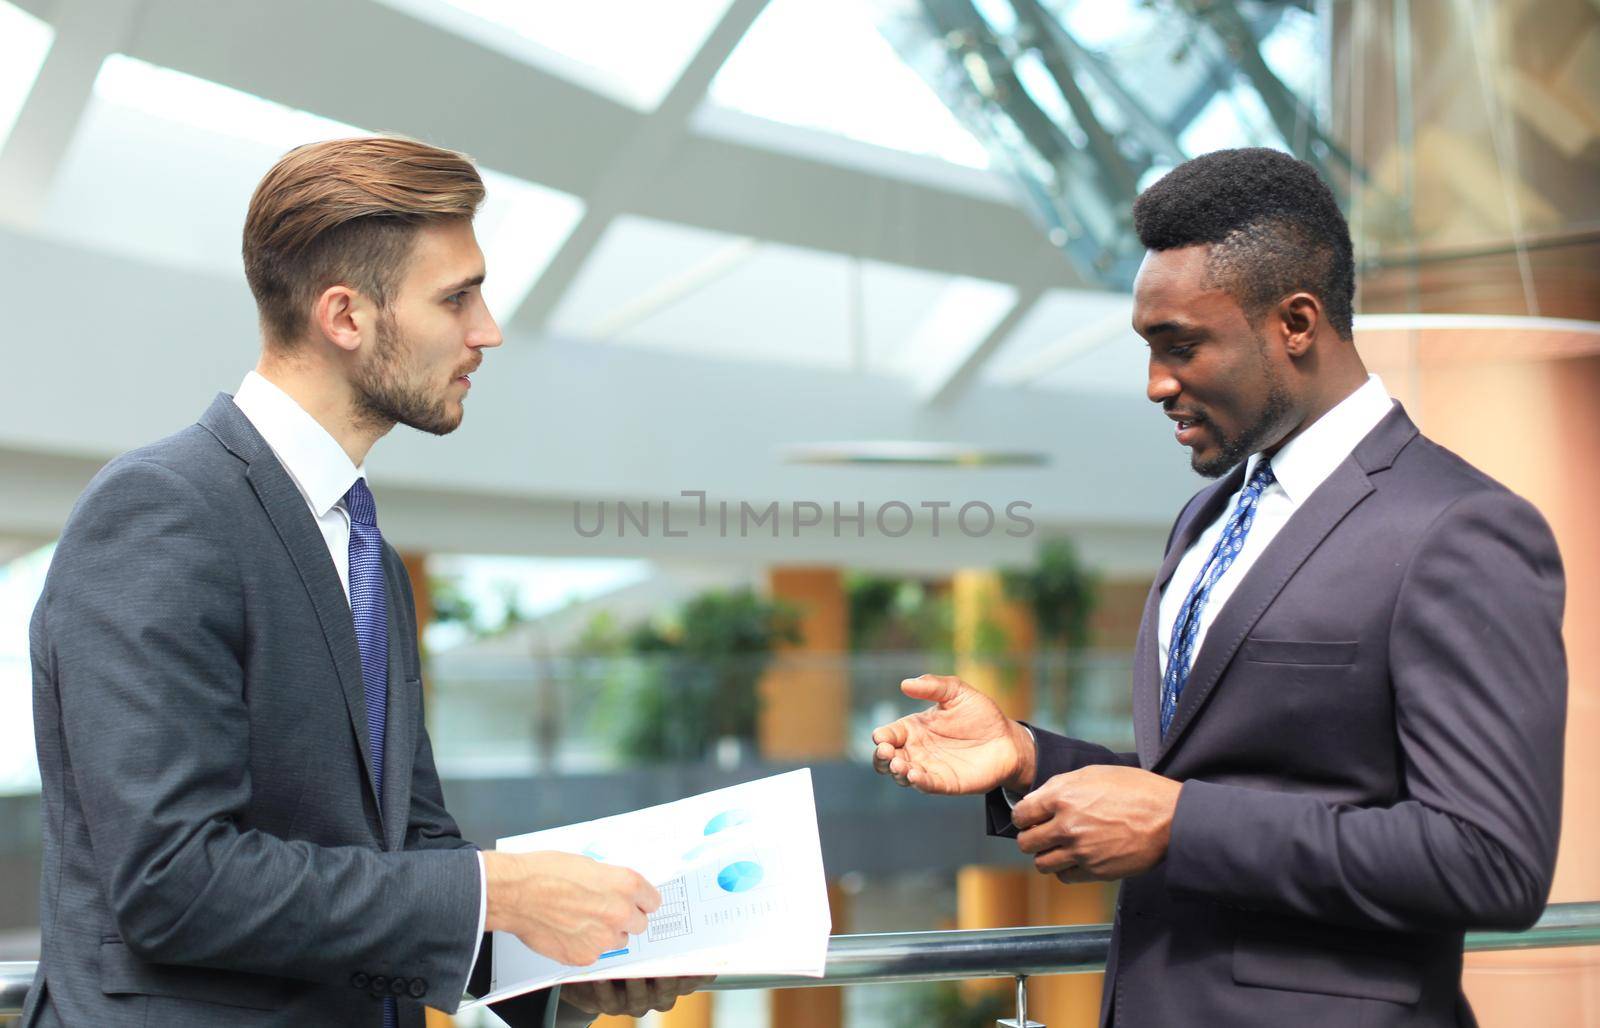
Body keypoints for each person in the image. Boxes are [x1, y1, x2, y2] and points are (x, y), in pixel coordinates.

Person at [871, 147, 1566, 1027]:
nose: (1156, 383)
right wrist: (1028, 755)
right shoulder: (1205, 521)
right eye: (1148, 348)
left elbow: (1490, 859)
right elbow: (1215, 780)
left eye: (1181, 345)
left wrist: (1180, 825)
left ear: (1298, 323)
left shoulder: (1457, 528)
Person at [24, 136, 706, 1027]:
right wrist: (498, 890)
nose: (487, 329)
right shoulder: (162, 510)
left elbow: (407, 852)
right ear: (345, 317)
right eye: (456, 296)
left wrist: (560, 968)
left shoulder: (367, 551)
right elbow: (173, 880)